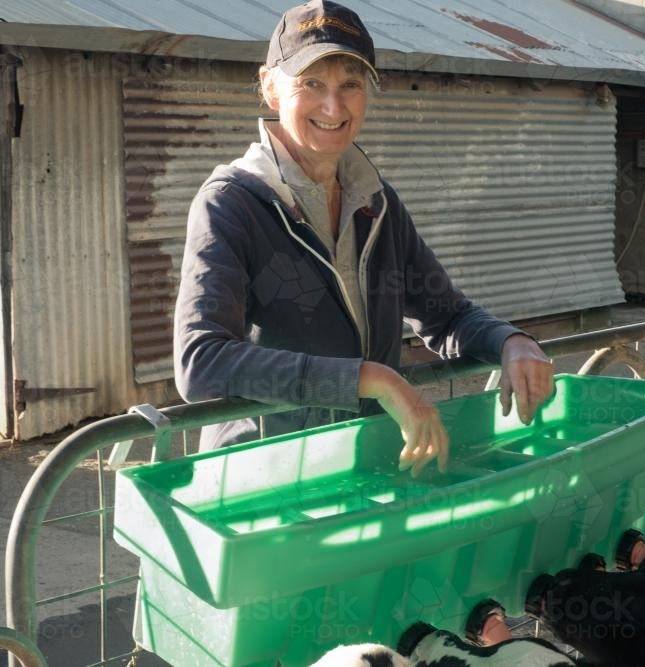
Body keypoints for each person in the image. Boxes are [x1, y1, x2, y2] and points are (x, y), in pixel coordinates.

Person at [173, 0, 554, 475]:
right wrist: (369, 378)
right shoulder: (232, 204)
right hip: (262, 475)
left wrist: (511, 342)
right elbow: (201, 361)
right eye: (311, 83)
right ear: (270, 87)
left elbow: (447, 314)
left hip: (359, 466)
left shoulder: (376, 203)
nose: (333, 107)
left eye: (350, 85)